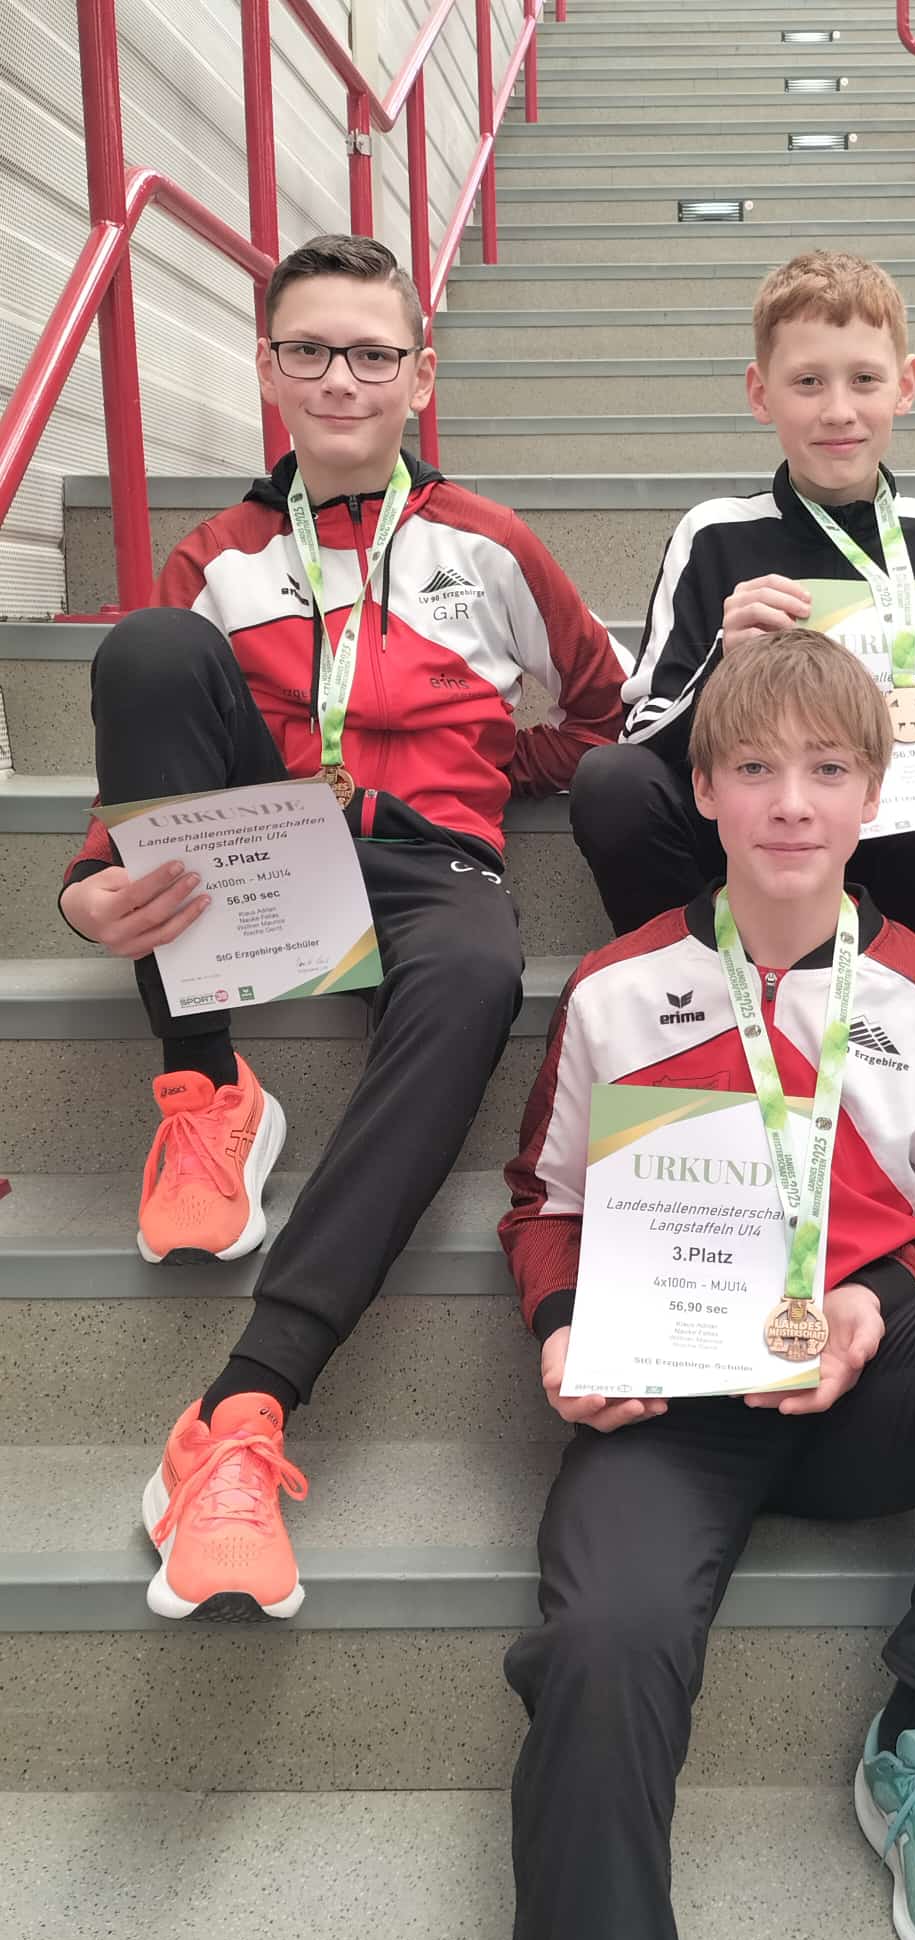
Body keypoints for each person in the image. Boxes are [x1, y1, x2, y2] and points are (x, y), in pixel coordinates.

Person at [501, 626, 915, 1940]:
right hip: (667, 1405)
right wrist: (560, 1327)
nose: (792, 802)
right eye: (755, 769)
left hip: (869, 1391)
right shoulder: (614, 990)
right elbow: (543, 1203)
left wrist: (869, 1303)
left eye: (828, 770)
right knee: (602, 1647)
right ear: (704, 790)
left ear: (874, 794)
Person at [57, 233, 626, 1622]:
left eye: (373, 353)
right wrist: (86, 882)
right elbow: (150, 750)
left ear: (421, 376)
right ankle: (207, 1088)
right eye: (308, 349)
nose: (340, 379)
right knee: (149, 645)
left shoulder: (491, 543)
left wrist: (490, 772)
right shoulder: (219, 553)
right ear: (267, 367)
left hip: (431, 866)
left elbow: (603, 716)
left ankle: (243, 1409)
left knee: (479, 975)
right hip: (267, 851)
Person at [568, 249, 915, 965]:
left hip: (885, 830)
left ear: (905, 386)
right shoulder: (713, 535)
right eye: (807, 382)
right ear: (760, 393)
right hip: (739, 840)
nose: (838, 411)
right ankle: (692, 983)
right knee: (608, 782)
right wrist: (722, 665)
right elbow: (639, 740)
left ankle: (914, 987)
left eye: (864, 380)